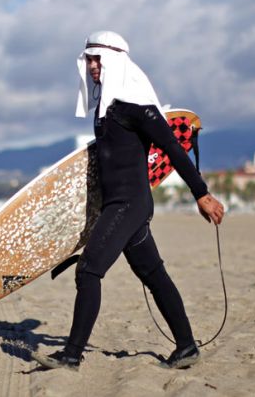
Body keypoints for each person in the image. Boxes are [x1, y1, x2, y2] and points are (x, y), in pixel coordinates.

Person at [32, 31, 224, 370]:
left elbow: (174, 149)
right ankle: (187, 346)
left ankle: (71, 355)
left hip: (128, 205)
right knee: (153, 273)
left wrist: (202, 194)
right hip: (119, 205)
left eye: (97, 59)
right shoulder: (105, 110)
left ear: (114, 61)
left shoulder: (136, 107)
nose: (92, 65)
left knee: (89, 270)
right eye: (88, 59)